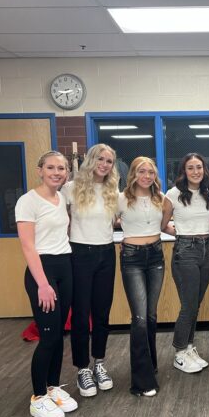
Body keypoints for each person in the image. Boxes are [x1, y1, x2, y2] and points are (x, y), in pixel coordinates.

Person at [16, 151, 78, 417]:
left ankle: (53, 387)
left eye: (61, 168)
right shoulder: (27, 201)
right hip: (43, 271)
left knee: (58, 335)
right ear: (40, 170)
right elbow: (28, 245)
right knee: (49, 336)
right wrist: (42, 284)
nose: (57, 172)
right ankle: (38, 397)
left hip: (65, 266)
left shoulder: (60, 197)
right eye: (51, 167)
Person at [61, 144, 119, 398]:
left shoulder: (112, 190)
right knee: (82, 315)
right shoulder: (71, 188)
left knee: (102, 313)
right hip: (80, 254)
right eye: (100, 159)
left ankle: (99, 363)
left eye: (109, 161)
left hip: (106, 253)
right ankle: (82, 368)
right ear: (90, 161)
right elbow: (58, 218)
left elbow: (117, 220)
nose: (104, 165)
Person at [118, 156, 169, 396]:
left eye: (150, 172)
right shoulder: (121, 198)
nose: (146, 176)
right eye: (141, 171)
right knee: (139, 317)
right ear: (133, 174)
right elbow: (107, 223)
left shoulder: (161, 198)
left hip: (156, 256)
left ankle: (151, 365)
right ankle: (142, 381)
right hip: (132, 258)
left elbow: (163, 225)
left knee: (150, 315)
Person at [163, 153, 209, 374]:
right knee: (188, 305)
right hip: (186, 251)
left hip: (207, 248)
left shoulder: (208, 192)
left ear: (204, 169)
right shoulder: (173, 194)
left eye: (199, 167)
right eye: (190, 168)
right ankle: (179, 352)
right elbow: (162, 223)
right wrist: (181, 235)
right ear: (183, 171)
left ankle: (190, 347)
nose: (196, 171)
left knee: (196, 302)